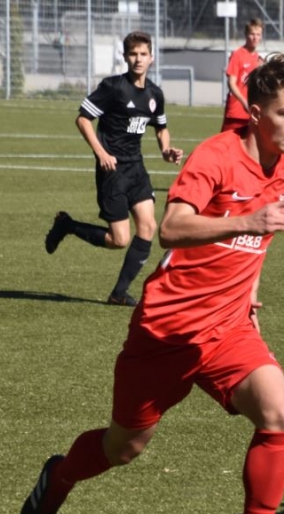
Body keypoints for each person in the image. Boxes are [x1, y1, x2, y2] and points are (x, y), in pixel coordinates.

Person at [19, 54, 284, 514]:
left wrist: (250, 290)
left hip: (227, 330)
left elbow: (261, 241)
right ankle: (59, 476)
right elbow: (173, 228)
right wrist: (248, 220)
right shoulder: (216, 156)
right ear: (255, 113)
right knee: (124, 448)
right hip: (167, 329)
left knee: (278, 413)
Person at [44, 31, 183, 307]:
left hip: (137, 169)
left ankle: (119, 293)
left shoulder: (155, 94)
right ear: (125, 57)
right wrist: (101, 152)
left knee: (148, 227)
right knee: (119, 240)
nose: (138, 59)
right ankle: (67, 225)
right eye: (133, 54)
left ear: (152, 58)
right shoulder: (113, 87)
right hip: (113, 171)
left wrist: (167, 150)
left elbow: (161, 128)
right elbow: (83, 120)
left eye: (143, 54)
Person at [222, 18, 265, 133]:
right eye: (252, 34)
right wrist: (244, 102)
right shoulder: (238, 55)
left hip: (251, 111)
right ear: (246, 35)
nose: (255, 38)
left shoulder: (258, 59)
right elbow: (231, 83)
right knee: (227, 141)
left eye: (258, 34)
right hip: (237, 110)